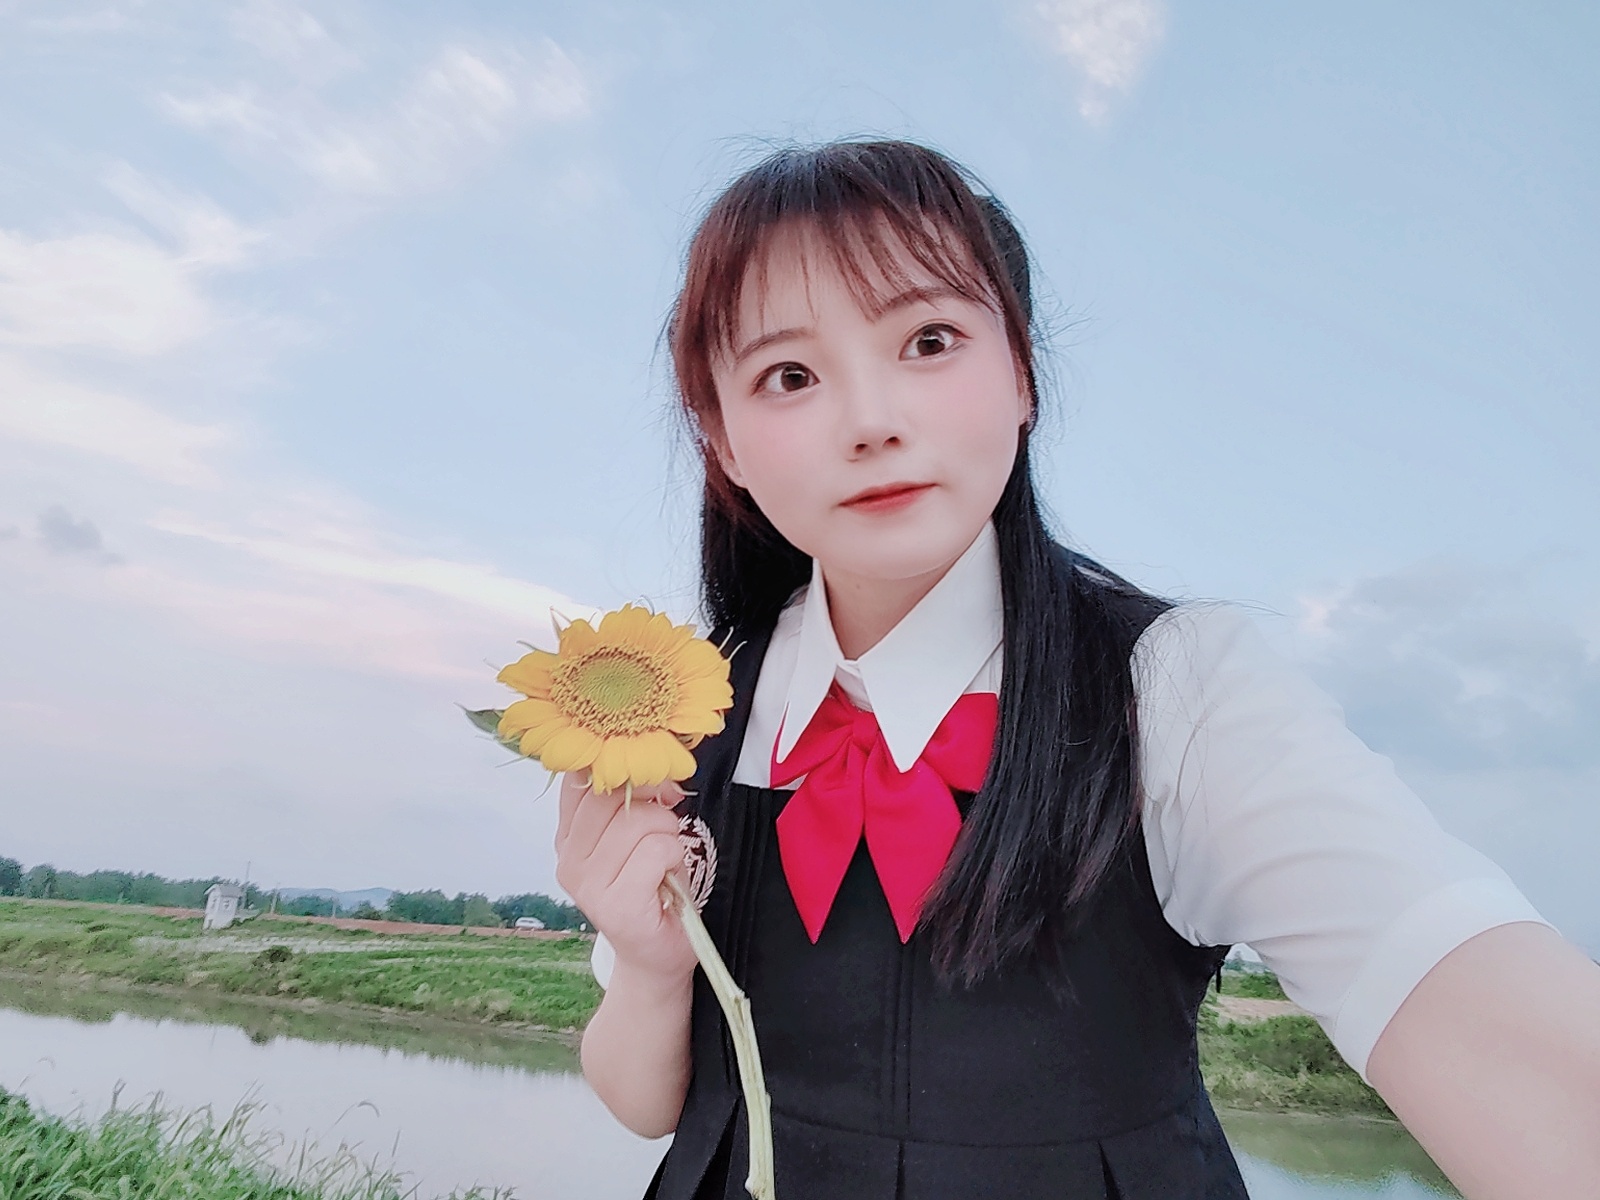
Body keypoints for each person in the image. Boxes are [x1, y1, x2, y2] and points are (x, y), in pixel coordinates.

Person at [554, 140, 1600, 1198]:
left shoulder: (1178, 688)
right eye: (790, 376)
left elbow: (1469, 997)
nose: (870, 422)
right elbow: (645, 1103)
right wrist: (647, 963)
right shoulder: (688, 703)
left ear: (1021, 372)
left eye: (928, 340)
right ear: (723, 441)